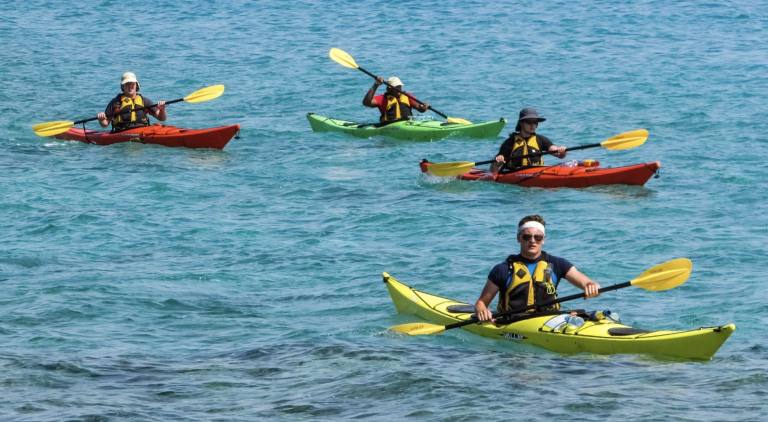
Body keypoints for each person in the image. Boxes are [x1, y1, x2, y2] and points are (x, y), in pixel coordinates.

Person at [475, 215, 601, 323]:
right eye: (527, 237)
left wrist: (592, 286)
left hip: (550, 320)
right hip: (513, 322)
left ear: (543, 239)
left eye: (538, 237)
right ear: (519, 238)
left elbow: (586, 283)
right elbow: (481, 303)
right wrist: (483, 312)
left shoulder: (558, 264)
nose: (532, 241)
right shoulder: (502, 269)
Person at [491, 108, 567, 172]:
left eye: (535, 122)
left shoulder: (541, 140)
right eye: (529, 122)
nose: (533, 125)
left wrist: (562, 150)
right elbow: (492, 170)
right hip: (514, 178)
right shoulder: (510, 143)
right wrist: (497, 164)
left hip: (537, 174)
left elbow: (559, 155)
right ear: (521, 123)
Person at [97, 72, 166, 133]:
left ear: (136, 85)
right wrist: (101, 119)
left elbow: (162, 118)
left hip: (143, 131)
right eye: (127, 84)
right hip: (122, 131)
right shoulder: (116, 102)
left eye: (132, 84)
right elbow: (105, 124)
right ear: (123, 86)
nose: (130, 86)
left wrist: (162, 109)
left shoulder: (144, 101)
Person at [362, 76, 430, 123]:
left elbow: (419, 108)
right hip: (389, 126)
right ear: (388, 89)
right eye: (395, 88)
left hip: (407, 124)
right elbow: (366, 103)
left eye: (399, 87)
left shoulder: (408, 96)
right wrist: (376, 85)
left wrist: (423, 107)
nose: (398, 90)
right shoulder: (383, 99)